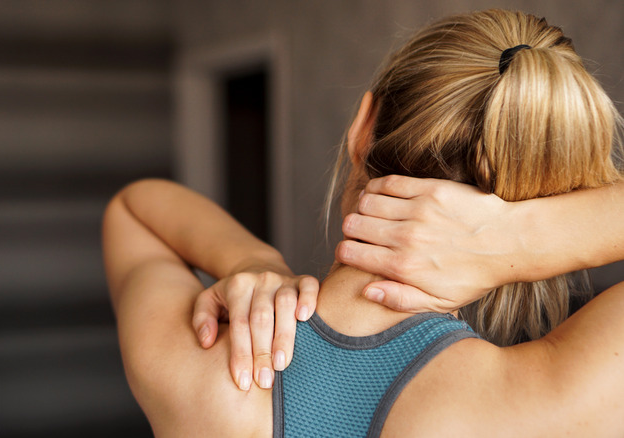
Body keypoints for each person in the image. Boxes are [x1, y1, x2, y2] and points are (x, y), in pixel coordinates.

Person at [103, 9, 624, 437]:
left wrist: (252, 260)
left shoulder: (200, 369)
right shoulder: (543, 404)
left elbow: (135, 208)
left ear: (362, 127)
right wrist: (524, 237)